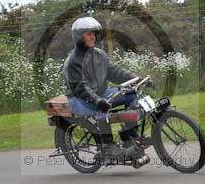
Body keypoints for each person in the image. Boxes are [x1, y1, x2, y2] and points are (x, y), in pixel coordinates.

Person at [61, 17, 147, 162]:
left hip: (100, 94)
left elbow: (116, 73)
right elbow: (80, 88)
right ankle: (107, 146)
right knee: (102, 109)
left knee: (131, 94)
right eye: (88, 34)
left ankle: (130, 137)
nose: (93, 37)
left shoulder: (99, 54)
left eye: (94, 33)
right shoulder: (72, 62)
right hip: (79, 100)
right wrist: (97, 100)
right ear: (78, 37)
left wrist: (138, 79)